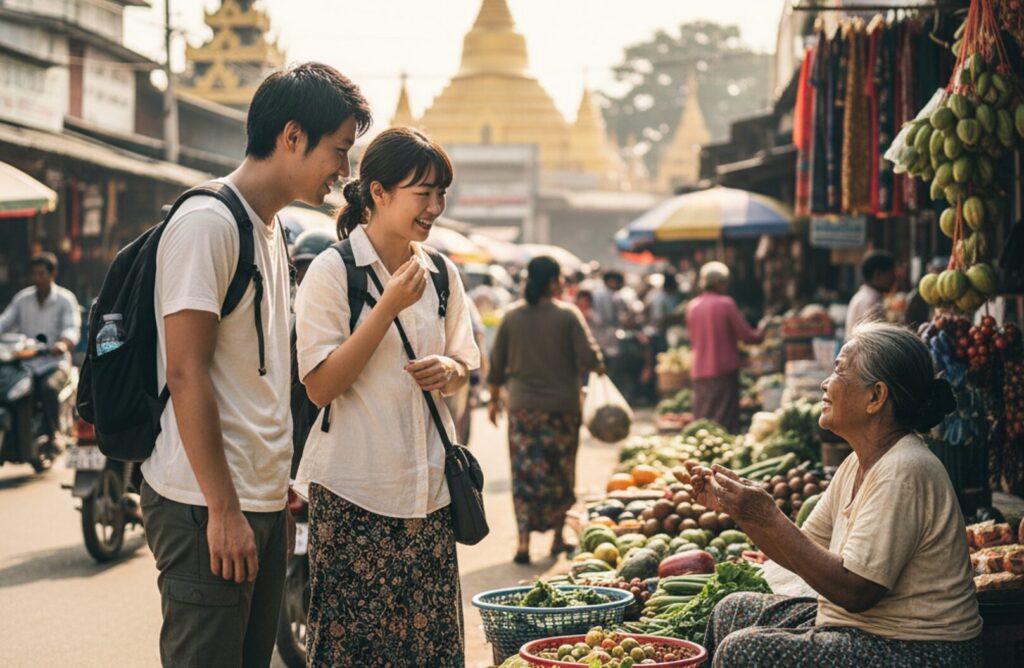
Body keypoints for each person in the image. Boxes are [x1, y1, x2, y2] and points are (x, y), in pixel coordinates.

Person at [139, 62, 371, 668]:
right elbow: (185, 372)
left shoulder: (269, 230)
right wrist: (223, 508)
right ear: (292, 136)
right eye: (339, 149)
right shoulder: (208, 224)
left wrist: (274, 498)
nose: (344, 170)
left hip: (259, 503)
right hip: (205, 505)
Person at [691, 322, 982, 667]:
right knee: (732, 609)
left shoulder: (904, 470)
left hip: (921, 650)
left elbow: (855, 591)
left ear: (875, 397)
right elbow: (799, 553)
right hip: (859, 629)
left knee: (741, 651)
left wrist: (767, 514)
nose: (825, 383)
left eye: (839, 371)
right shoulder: (857, 464)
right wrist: (741, 510)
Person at [294, 127, 479, 666]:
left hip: (430, 496)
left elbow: (464, 365)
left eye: (441, 194)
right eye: (423, 194)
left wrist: (449, 369)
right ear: (378, 192)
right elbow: (320, 386)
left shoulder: (441, 273)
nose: (435, 208)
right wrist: (386, 307)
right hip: (354, 497)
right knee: (352, 654)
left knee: (433, 653)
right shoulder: (333, 271)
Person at [488, 256, 604, 564]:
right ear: (554, 282)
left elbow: (496, 363)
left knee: (524, 474)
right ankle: (557, 537)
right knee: (560, 472)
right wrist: (598, 363)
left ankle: (523, 542)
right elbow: (590, 358)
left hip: (523, 410)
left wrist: (493, 399)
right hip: (562, 409)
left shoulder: (512, 316)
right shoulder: (568, 316)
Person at [0, 252, 81, 442]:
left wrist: (62, 343)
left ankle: (54, 436)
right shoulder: (22, 299)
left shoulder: (65, 299)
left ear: (53, 274)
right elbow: (4, 322)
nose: (37, 278)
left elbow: (72, 329)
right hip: (25, 364)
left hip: (54, 364)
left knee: (48, 388)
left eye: (41, 274)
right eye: (34, 274)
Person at [685, 262, 763, 433]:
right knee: (724, 422)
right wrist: (763, 330)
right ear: (720, 283)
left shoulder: (693, 306)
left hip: (699, 371)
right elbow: (747, 337)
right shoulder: (726, 304)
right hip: (723, 370)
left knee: (703, 420)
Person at [844, 250, 896, 337]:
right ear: (878, 275)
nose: (894, 280)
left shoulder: (863, 295)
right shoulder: (872, 301)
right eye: (891, 275)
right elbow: (876, 339)